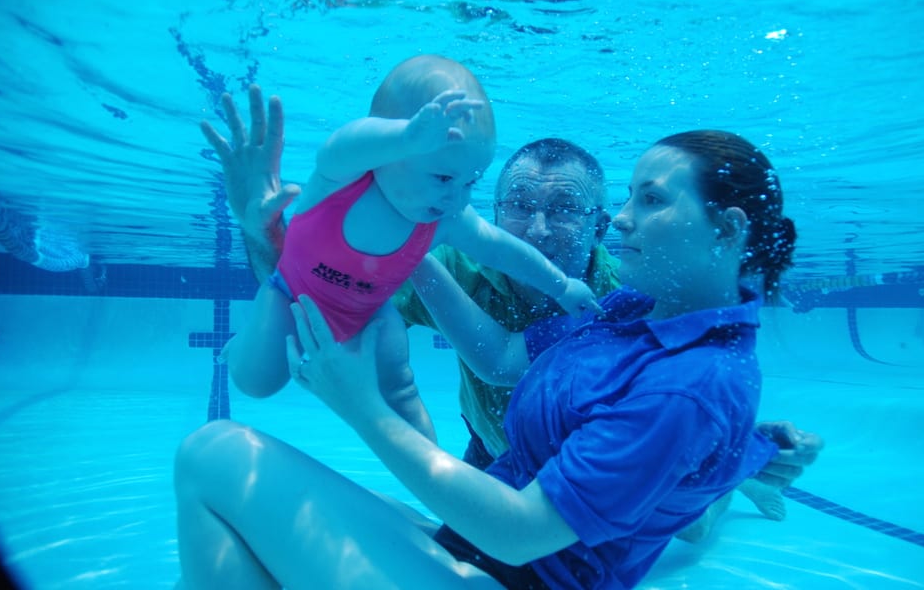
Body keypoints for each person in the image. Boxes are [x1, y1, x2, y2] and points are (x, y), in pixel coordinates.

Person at [175, 129, 802, 588]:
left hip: (523, 552)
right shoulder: (628, 310)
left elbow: (679, 403)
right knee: (242, 518)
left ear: (727, 230)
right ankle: (729, 463)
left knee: (215, 455)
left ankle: (726, 476)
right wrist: (275, 232)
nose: (537, 228)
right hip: (495, 521)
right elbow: (500, 358)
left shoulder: (641, 326)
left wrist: (362, 407)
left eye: (651, 201)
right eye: (518, 206)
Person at [200, 55, 600, 441]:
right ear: (388, 151)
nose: (457, 199)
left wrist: (561, 286)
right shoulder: (342, 177)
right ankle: (246, 346)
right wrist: (405, 138)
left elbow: (501, 249)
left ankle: (431, 462)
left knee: (399, 387)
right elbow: (346, 144)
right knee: (258, 382)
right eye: (444, 177)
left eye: (470, 183)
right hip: (293, 294)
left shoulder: (443, 216)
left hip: (370, 314)